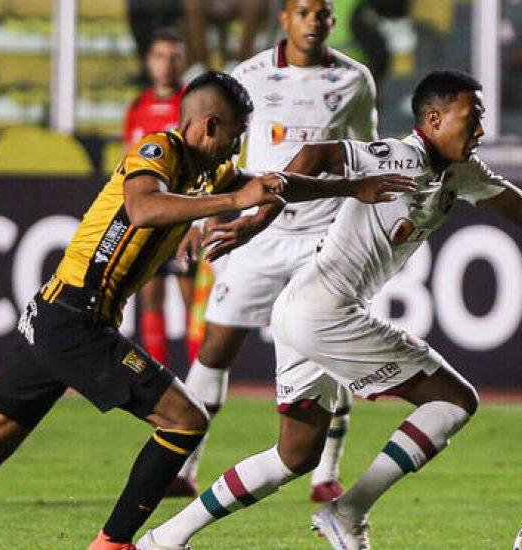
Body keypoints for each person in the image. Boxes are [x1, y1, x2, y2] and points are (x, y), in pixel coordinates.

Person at [0, 71, 416, 550]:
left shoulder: (204, 167)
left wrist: (348, 188)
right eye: (236, 132)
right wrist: (233, 199)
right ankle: (114, 543)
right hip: (75, 319)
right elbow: (143, 208)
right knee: (184, 420)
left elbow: (276, 182)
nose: (240, 144)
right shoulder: (159, 151)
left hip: (57, 316)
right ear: (207, 126)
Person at [137, 70, 522, 550]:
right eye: (472, 118)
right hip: (326, 310)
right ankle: (348, 512)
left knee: (293, 456)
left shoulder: (461, 172)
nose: (480, 129)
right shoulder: (399, 155)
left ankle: (165, 538)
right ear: (434, 119)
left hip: (302, 308)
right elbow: (316, 154)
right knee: (455, 401)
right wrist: (258, 220)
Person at [170, 0, 379, 504]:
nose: (315, 21)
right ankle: (185, 466)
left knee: (323, 348)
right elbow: (219, 154)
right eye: (304, 12)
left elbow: (364, 153)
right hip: (256, 234)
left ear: (332, 21)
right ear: (284, 19)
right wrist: (201, 217)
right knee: (216, 346)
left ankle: (326, 472)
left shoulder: (355, 80)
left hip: (323, 236)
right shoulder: (251, 76)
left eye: (324, 13)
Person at [125, 28, 198, 367]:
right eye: (160, 56)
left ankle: (200, 379)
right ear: (148, 61)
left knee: (191, 297)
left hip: (184, 215)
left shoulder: (192, 105)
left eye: (174, 56)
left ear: (185, 61)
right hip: (151, 217)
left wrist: (204, 219)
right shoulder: (138, 106)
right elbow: (128, 163)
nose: (167, 64)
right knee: (151, 295)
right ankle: (158, 376)